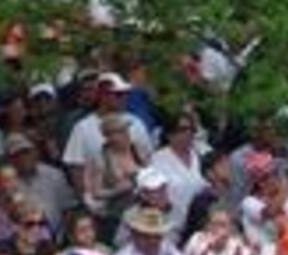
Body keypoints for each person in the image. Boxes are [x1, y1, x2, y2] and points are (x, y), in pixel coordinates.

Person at [62, 72, 153, 181]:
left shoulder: (136, 122)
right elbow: (75, 167)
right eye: (118, 94)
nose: (124, 98)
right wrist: (86, 196)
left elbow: (147, 160)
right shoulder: (82, 128)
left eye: (126, 93)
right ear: (103, 95)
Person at [83, 113, 147, 244]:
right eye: (120, 132)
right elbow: (95, 193)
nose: (126, 135)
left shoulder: (136, 150)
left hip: (140, 211)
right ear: (108, 137)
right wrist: (118, 190)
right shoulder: (101, 158)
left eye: (126, 130)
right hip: (115, 217)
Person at [5, 133, 76, 233]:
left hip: (58, 236)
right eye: (16, 155)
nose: (22, 158)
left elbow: (69, 208)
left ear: (35, 152)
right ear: (10, 160)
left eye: (26, 152)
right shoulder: (8, 183)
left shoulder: (54, 175)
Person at [151, 111, 205, 234]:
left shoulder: (200, 155)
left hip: (198, 227)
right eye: (183, 129)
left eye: (192, 129)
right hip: (170, 227)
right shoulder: (158, 159)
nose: (188, 133)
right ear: (170, 133)